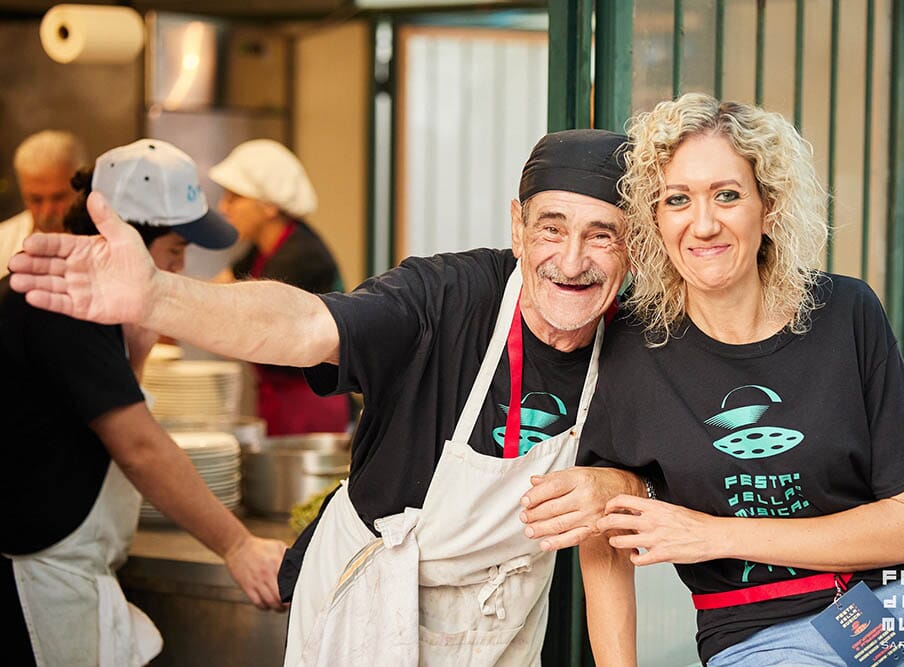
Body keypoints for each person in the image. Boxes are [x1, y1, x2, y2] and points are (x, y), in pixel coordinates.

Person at [6, 129, 645, 665]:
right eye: (551, 229)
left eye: (602, 235)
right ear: (517, 225)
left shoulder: (638, 342)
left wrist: (627, 489)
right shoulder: (445, 298)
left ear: (633, 246)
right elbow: (303, 325)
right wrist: (159, 297)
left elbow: (614, 530)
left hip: (502, 621)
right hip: (371, 607)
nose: (571, 260)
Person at [546, 93, 904, 666]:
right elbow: (602, 531)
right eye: (677, 199)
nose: (703, 225)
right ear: (655, 219)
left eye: (727, 195)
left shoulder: (845, 313)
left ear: (769, 207)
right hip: (760, 632)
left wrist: (718, 533)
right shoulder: (632, 346)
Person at [1, 139, 288, 667]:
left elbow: (105, 413)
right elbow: (137, 446)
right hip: (37, 583)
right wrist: (237, 546)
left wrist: (140, 336)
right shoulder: (59, 300)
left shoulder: (94, 299)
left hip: (71, 571)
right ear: (124, 237)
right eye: (175, 252)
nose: (180, 269)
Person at [209, 139, 352, 436]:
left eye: (234, 197)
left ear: (269, 206)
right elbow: (221, 290)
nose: (223, 207)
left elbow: (248, 326)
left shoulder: (300, 256)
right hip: (279, 398)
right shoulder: (263, 248)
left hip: (312, 402)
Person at [0, 130, 86, 277]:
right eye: (36, 199)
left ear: (81, 188)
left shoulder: (113, 242)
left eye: (58, 197)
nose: (47, 211)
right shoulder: (3, 243)